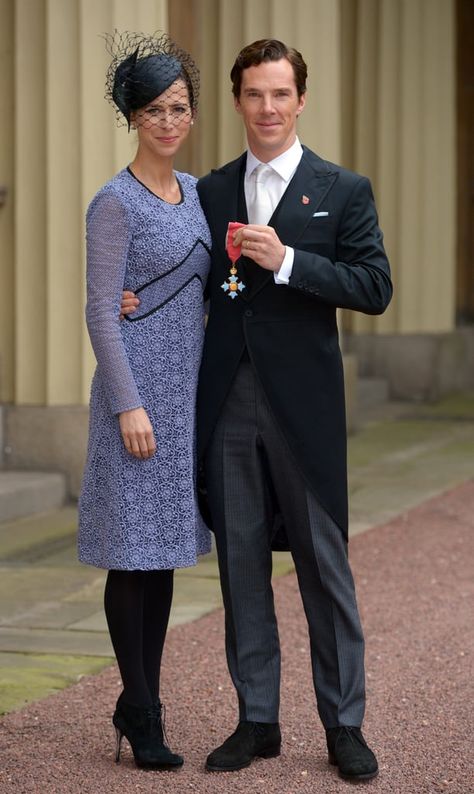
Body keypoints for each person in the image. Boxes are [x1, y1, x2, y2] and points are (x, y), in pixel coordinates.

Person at [122, 38, 392, 782]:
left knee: (323, 567)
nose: (267, 108)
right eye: (253, 95)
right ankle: (258, 720)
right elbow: (180, 270)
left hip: (304, 407)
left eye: (280, 94)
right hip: (227, 401)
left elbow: (375, 286)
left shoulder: (344, 188)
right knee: (241, 565)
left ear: (301, 99)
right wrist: (131, 297)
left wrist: (293, 263)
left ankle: (344, 725)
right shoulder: (209, 192)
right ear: (238, 103)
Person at [78, 31, 211, 770]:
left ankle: (139, 700)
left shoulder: (196, 192)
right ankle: (143, 709)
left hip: (186, 395)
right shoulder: (113, 204)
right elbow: (102, 310)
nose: (168, 120)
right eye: (155, 109)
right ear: (133, 116)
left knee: (159, 556)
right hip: (136, 399)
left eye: (179, 107)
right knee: (130, 556)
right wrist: (128, 403)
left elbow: (210, 282)